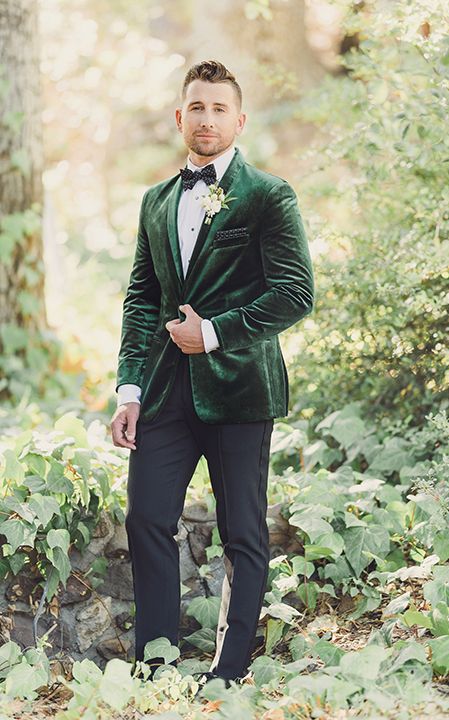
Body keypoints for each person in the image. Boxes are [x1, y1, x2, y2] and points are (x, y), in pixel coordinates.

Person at [110, 59, 314, 683]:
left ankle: (228, 672)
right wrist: (129, 389)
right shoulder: (155, 201)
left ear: (239, 119)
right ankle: (156, 663)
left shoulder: (268, 195)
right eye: (197, 107)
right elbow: (142, 299)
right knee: (146, 516)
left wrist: (216, 331)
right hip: (166, 393)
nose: (207, 118)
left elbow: (295, 292)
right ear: (180, 116)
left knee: (242, 534)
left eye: (219, 108)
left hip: (241, 391)